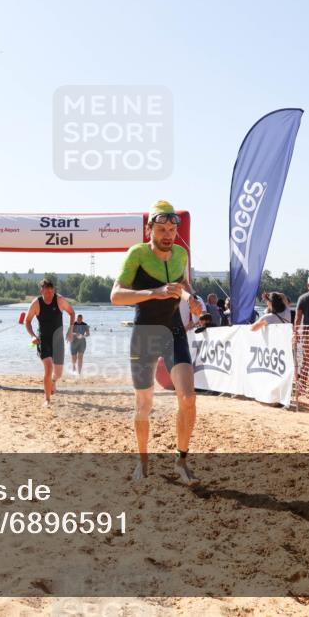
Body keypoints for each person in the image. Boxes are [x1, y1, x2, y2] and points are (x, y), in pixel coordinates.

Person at [111, 201, 202, 484]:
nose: (168, 235)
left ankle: (181, 461)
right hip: (145, 334)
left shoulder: (181, 254)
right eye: (161, 229)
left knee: (188, 398)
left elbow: (183, 286)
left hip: (174, 330)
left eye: (172, 229)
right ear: (149, 229)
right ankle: (142, 460)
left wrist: (193, 300)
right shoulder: (136, 254)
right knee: (144, 405)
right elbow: (116, 296)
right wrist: (154, 292)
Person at [24, 279, 75, 407]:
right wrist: (32, 336)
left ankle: (53, 381)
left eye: (51, 292)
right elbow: (27, 321)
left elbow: (72, 313)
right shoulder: (36, 303)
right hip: (43, 340)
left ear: (54, 291)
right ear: (41, 291)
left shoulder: (59, 300)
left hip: (58, 341)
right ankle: (47, 399)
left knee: (58, 373)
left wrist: (70, 329)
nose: (49, 294)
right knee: (48, 368)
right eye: (46, 292)